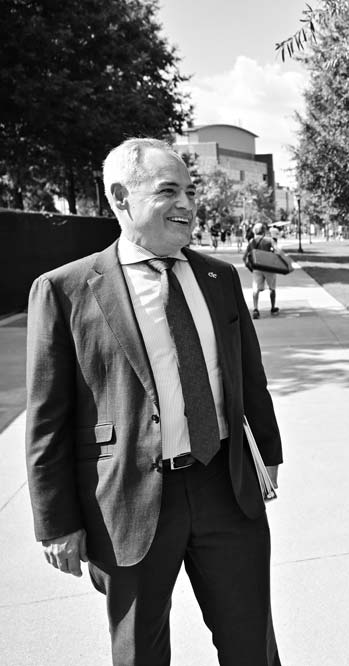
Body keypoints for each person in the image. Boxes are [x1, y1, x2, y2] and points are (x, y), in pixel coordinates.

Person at [25, 138, 283, 666]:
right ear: (121, 197)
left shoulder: (219, 278)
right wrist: (55, 521)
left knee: (252, 648)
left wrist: (268, 458)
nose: (187, 204)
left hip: (226, 490)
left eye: (190, 191)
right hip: (130, 502)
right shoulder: (64, 290)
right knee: (140, 655)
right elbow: (48, 418)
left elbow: (248, 379)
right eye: (169, 191)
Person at [243, 222, 292, 319]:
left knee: (255, 289)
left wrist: (250, 267)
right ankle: (273, 307)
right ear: (264, 231)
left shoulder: (252, 242)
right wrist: (286, 262)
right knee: (272, 288)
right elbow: (278, 251)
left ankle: (255, 308)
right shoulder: (269, 240)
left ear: (255, 231)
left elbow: (245, 257)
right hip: (269, 267)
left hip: (257, 267)